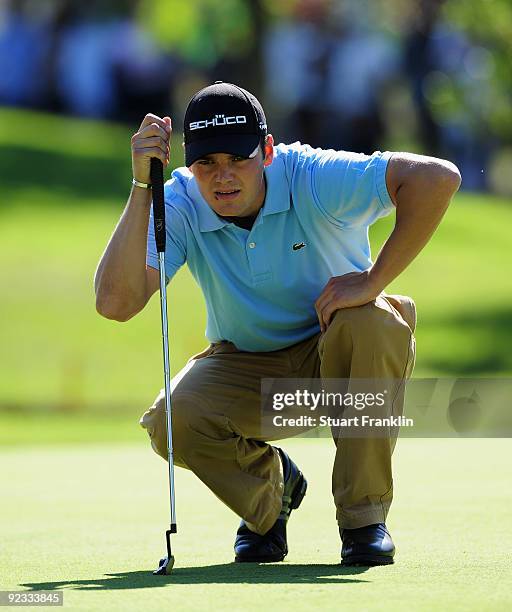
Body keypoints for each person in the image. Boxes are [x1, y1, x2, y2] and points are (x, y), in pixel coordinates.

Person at [94, 81, 461, 566]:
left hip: (340, 361)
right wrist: (144, 185)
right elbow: (116, 303)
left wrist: (373, 281)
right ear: (187, 162)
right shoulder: (179, 199)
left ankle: (364, 520)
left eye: (237, 159)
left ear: (267, 151)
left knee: (371, 322)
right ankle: (271, 500)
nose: (222, 177)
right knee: (171, 419)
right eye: (206, 163)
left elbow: (437, 178)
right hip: (250, 372)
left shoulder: (311, 175)